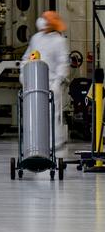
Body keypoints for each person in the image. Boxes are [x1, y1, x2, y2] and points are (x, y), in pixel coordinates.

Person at [23, 10, 70, 152]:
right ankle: (33, 142)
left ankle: (52, 143)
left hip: (51, 83)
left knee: (52, 114)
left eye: (45, 18)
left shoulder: (59, 41)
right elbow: (27, 58)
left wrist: (58, 82)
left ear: (52, 23)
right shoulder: (36, 38)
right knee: (33, 113)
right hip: (34, 82)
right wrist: (23, 74)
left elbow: (63, 62)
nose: (41, 20)